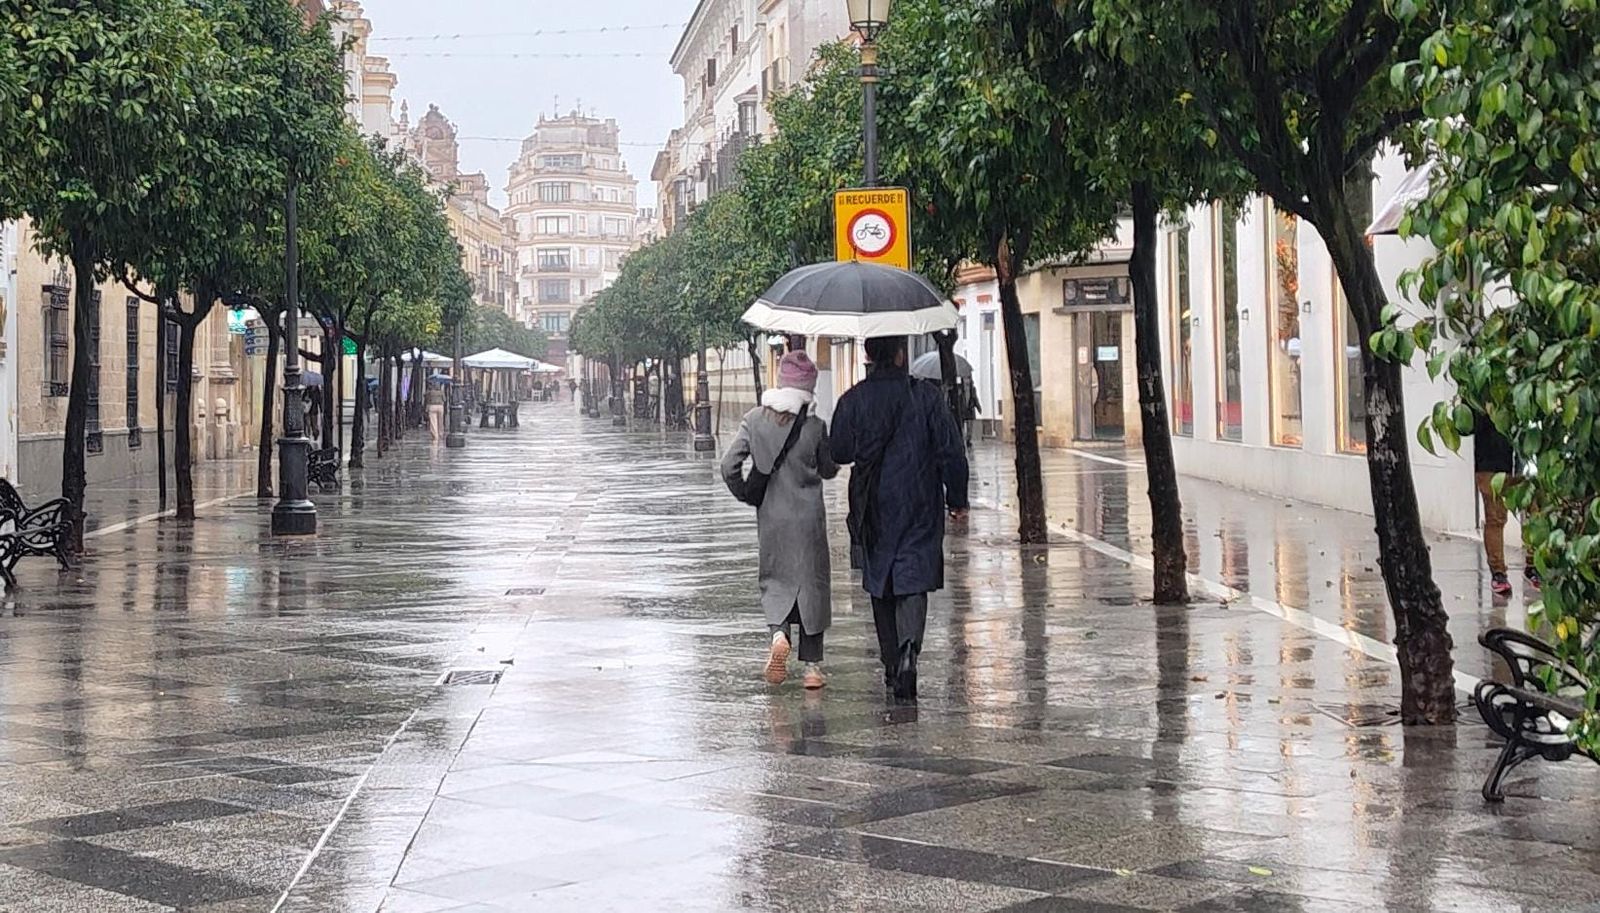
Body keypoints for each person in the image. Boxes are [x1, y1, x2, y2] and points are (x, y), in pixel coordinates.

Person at [831, 336, 969, 701]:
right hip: (920, 499)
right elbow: (951, 451)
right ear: (900, 354)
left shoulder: (853, 399)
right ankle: (910, 651)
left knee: (880, 581)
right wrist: (956, 498)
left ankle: (892, 663)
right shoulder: (925, 397)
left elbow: (839, 450)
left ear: (867, 355)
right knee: (914, 577)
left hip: (873, 504)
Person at [720, 352, 838, 690]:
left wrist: (747, 493)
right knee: (812, 585)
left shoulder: (754, 419)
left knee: (776, 580)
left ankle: (778, 636)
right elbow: (829, 469)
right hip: (809, 519)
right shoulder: (815, 426)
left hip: (772, 518)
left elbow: (729, 465)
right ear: (809, 388)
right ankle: (813, 668)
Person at [1470, 409, 1537, 596]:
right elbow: (1466, 427)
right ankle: (1498, 573)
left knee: (1535, 512)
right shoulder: (1477, 390)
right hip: (1490, 462)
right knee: (1495, 518)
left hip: (1525, 461)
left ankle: (1533, 565)